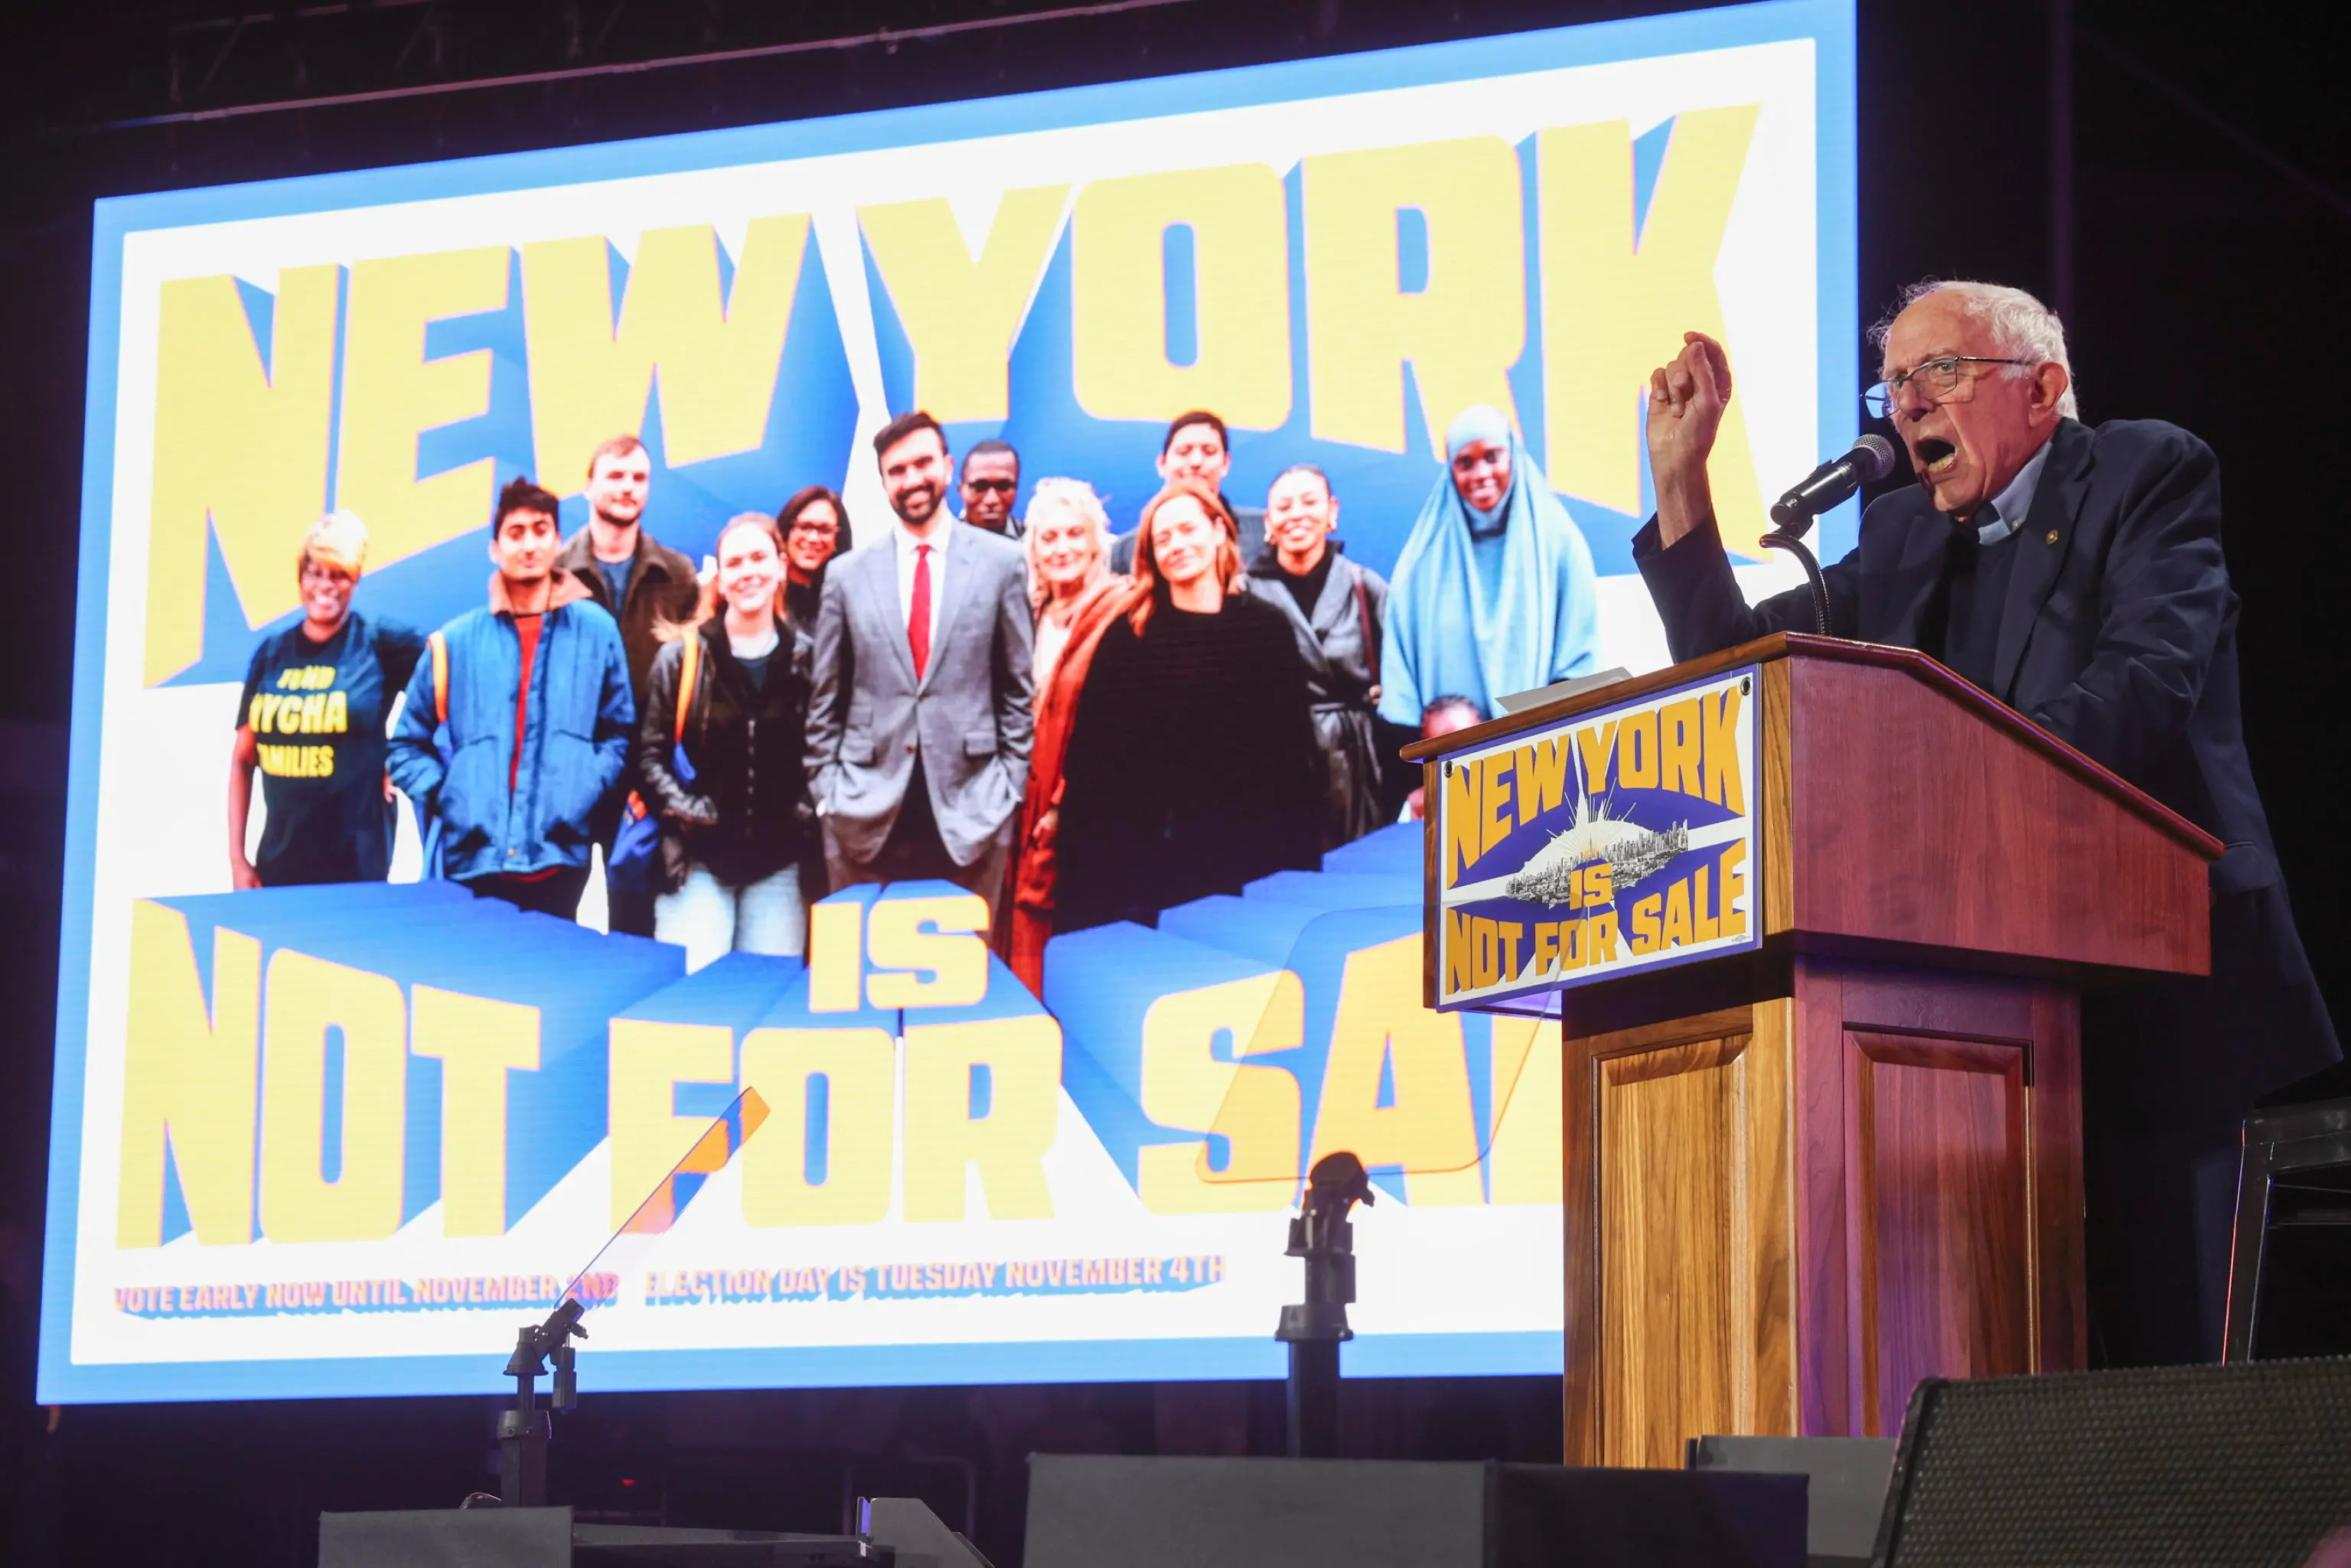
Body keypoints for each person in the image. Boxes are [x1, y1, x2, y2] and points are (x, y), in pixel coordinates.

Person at [1634, 278, 2341, 1367]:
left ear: (2043, 388)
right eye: (1894, 382)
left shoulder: (2144, 475)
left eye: (1939, 371)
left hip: (2165, 1011)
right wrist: (1683, 482)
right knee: (2034, 1401)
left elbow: (2141, 691)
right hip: (1978, 1047)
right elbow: (1748, 683)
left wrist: (1953, 786)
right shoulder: (1906, 537)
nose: (1906, 403)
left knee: (2187, 1390)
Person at [1042, 479, 1324, 942]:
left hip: (1246, 868)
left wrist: (1293, 875)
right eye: (1163, 538)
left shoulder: (1266, 631)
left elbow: (1296, 768)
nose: (1177, 545)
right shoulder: (1127, 639)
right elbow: (1092, 772)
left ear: (1218, 532)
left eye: (1187, 530)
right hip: (1146, 879)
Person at [805, 411, 1034, 910]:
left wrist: (1008, 788)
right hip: (863, 806)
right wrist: (828, 792)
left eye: (922, 463)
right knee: (863, 970)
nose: (912, 480)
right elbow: (826, 697)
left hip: (972, 807)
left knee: (966, 976)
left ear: (948, 468)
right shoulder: (846, 575)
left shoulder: (1002, 563)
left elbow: (1018, 689)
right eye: (897, 470)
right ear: (884, 482)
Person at [390, 478, 634, 918]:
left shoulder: (596, 632)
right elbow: (406, 744)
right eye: (515, 533)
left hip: (560, 858)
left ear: (559, 541)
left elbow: (620, 730)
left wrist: (586, 784)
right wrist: (451, 793)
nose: (529, 545)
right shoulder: (455, 642)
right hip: (472, 860)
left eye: (540, 530)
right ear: (495, 548)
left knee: (550, 982)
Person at [634, 513, 812, 971]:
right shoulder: (683, 658)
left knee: (766, 1006)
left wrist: (801, 812)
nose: (748, 571)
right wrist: (693, 812)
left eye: (759, 558)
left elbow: (827, 752)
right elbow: (649, 755)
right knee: (694, 1004)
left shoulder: (806, 659)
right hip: (698, 863)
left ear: (781, 566)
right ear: (721, 578)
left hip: (779, 865)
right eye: (735, 562)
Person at [227, 510, 426, 888]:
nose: (326, 586)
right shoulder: (271, 653)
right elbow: (242, 758)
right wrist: (238, 860)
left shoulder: (378, 642)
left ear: (356, 579)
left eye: (339, 575)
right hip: (279, 867)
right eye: (316, 572)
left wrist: (400, 753)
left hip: (357, 868)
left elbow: (447, 674)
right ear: (300, 576)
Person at [1378, 405, 1601, 729]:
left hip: (1540, 754)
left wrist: (1521, 736)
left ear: (1513, 457)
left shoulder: (1559, 546)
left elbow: (1582, 663)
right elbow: (1401, 692)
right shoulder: (1420, 564)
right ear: (1450, 472)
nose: (1481, 474)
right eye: (1465, 463)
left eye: (1493, 457)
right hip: (1449, 763)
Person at [556, 434, 699, 935]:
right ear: (588, 487)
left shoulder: (679, 575)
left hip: (646, 780)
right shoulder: (552, 573)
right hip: (569, 775)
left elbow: (696, 679)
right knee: (552, 920)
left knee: (636, 924)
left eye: (639, 477)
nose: (628, 488)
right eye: (615, 476)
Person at [1244, 463, 1391, 847]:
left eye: (1309, 502)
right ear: (1269, 522)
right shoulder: (1242, 594)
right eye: (1284, 506)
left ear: (1332, 512)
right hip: (1272, 761)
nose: (1297, 515)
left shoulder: (1365, 586)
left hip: (1355, 764)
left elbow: (1401, 684)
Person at [1107, 410, 1270, 573]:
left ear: (1226, 463)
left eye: (1209, 451)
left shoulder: (1262, 535)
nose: (1196, 462)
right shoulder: (1126, 551)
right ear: (1162, 464)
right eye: (1184, 452)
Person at [1022, 478, 1118, 686]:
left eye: (1076, 534)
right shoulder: (1029, 614)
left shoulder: (1120, 611)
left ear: (1095, 542)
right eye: (1049, 538)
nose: (1062, 550)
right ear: (1033, 550)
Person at [778, 485, 853, 635]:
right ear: (787, 531)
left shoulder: (848, 599)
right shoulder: (764, 593)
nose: (813, 538)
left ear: (837, 540)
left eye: (825, 530)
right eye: (805, 527)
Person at [1401, 695, 1485, 823]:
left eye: (1466, 742)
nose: (1456, 756)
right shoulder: (1418, 805)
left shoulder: (1513, 794)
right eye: (1442, 748)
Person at [958, 438, 1025, 539]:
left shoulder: (1031, 545)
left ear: (1016, 489)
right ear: (961, 490)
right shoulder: (941, 545)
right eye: (980, 487)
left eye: (1003, 487)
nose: (992, 500)